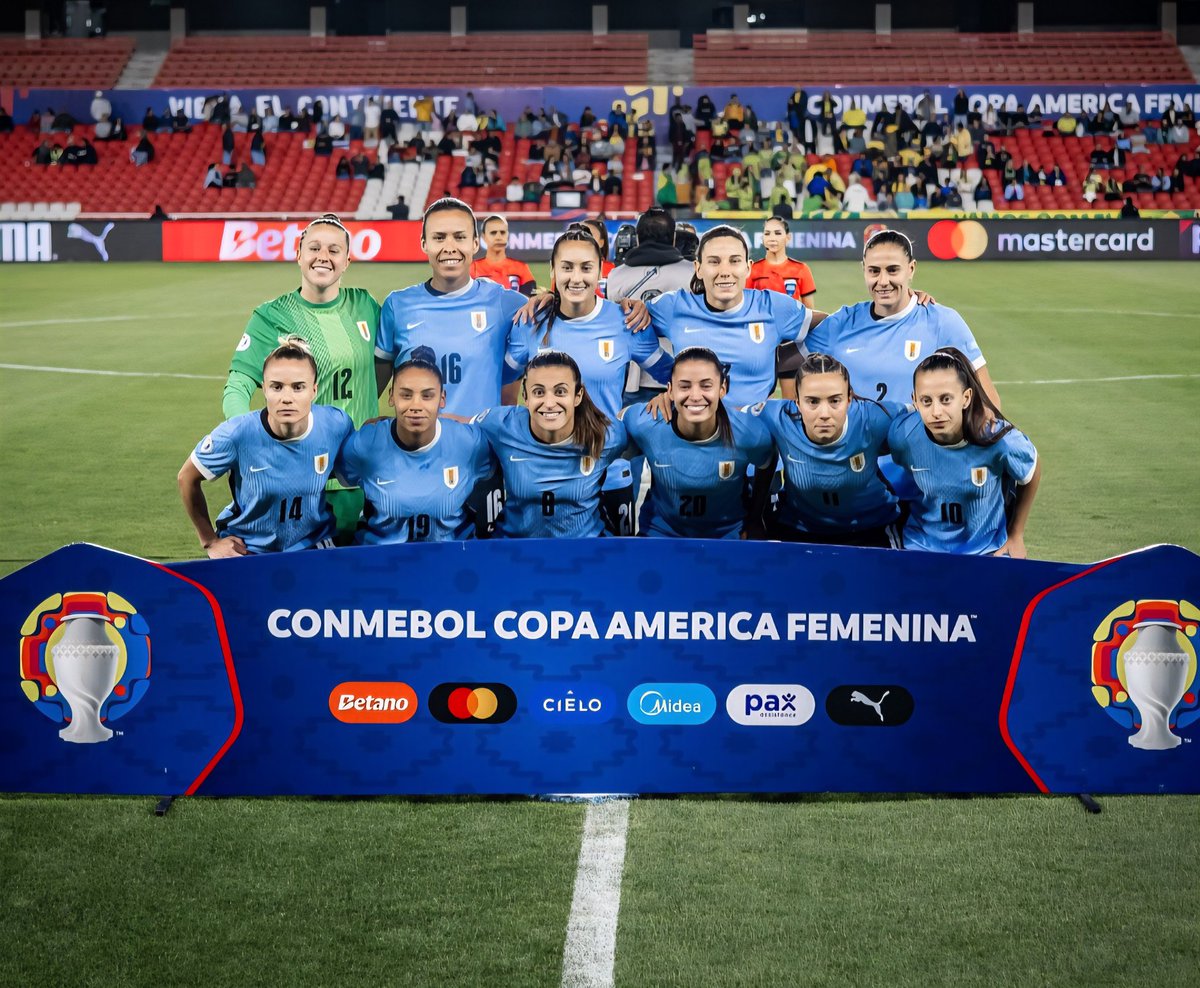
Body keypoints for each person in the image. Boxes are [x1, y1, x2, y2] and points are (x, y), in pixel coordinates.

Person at [223, 214, 381, 539]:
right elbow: (237, 385)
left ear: (347, 260)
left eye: (334, 249)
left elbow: (388, 366)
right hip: (299, 478)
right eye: (314, 247)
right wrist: (252, 440)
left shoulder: (365, 306)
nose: (323, 256)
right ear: (299, 254)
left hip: (364, 475)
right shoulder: (272, 316)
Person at [506, 228, 673, 535]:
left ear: (600, 270)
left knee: (610, 568)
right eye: (567, 267)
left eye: (586, 268)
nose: (576, 277)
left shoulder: (626, 322)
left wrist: (666, 397)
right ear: (553, 270)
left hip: (605, 472)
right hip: (540, 473)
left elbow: (673, 375)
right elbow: (500, 382)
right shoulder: (531, 323)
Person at [179, 339, 352, 557]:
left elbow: (359, 471)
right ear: (265, 389)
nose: (286, 398)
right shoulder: (237, 434)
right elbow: (186, 477)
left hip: (313, 543)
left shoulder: (336, 424)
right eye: (277, 387)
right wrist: (210, 541)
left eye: (298, 387)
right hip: (250, 548)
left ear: (314, 390)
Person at [797, 230, 998, 409]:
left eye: (893, 270)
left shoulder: (942, 322)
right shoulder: (842, 322)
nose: (883, 281)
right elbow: (781, 354)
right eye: (874, 271)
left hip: (919, 450)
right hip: (858, 451)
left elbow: (988, 399)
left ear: (911, 269)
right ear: (864, 269)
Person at [375, 198, 527, 419]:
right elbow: (372, 390)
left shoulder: (505, 303)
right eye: (439, 238)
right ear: (424, 243)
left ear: (475, 243)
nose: (449, 247)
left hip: (480, 450)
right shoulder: (397, 305)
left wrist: (547, 300)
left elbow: (557, 319)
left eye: (459, 237)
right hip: (416, 450)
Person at [644, 225, 817, 409]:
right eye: (714, 261)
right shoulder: (673, 307)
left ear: (748, 267)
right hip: (693, 428)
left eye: (734, 261)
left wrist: (776, 359)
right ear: (698, 268)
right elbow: (624, 330)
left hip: (756, 431)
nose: (725, 271)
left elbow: (830, 328)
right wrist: (668, 373)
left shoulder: (772, 306)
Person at [889, 348, 1040, 556]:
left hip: (986, 550)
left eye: (946, 399)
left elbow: (1031, 469)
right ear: (915, 400)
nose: (936, 412)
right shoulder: (903, 435)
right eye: (926, 401)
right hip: (920, 547)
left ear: (966, 397)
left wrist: (1016, 534)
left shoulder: (997, 438)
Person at [335, 355, 496, 543]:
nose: (416, 406)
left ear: (442, 399)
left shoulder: (470, 443)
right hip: (380, 564)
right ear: (391, 397)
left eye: (427, 396)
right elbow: (338, 474)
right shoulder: (365, 444)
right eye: (406, 395)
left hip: (451, 562)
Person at [749, 352, 903, 547]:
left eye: (835, 401)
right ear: (797, 401)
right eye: (812, 402)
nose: (824, 413)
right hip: (799, 528)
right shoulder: (777, 417)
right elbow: (729, 418)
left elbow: (926, 414)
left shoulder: (875, 418)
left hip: (872, 527)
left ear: (849, 399)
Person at [622, 347, 774, 539]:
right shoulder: (647, 422)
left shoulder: (748, 433)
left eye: (706, 386)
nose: (695, 396)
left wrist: (755, 517)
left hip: (727, 535)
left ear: (723, 389)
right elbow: (619, 421)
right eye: (684, 386)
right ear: (670, 390)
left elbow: (768, 462)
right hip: (661, 534)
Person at [473, 351, 627, 538]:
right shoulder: (501, 425)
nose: (549, 403)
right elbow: (453, 430)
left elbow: (648, 429)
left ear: (578, 395)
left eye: (560, 391)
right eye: (538, 392)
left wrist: (664, 401)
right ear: (525, 396)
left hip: (586, 553)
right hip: (514, 552)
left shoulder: (606, 435)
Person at [747, 216, 817, 306]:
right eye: (767, 234)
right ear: (762, 239)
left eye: (778, 233)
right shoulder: (752, 269)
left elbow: (809, 310)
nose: (772, 238)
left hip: (792, 320)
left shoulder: (801, 269)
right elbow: (746, 305)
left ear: (788, 237)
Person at [470, 215, 537, 296]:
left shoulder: (521, 268)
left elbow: (531, 299)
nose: (498, 237)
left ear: (507, 235)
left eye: (502, 232)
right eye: (493, 233)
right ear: (484, 237)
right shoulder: (472, 268)